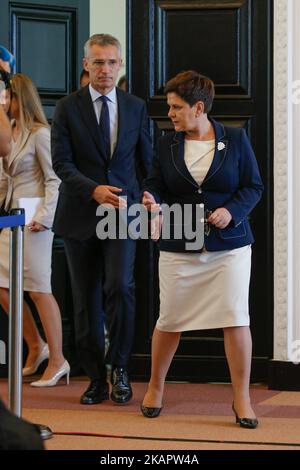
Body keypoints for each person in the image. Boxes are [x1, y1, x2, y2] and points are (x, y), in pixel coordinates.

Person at [141, 71, 263, 428]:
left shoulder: (236, 139)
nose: (171, 114)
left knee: (235, 316)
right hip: (179, 243)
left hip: (229, 247)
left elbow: (253, 187)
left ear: (198, 107)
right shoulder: (166, 142)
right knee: (170, 317)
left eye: (177, 107)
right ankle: (156, 386)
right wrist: (152, 201)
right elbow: (154, 184)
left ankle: (241, 398)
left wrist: (232, 211)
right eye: (169, 107)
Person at [51, 34, 152, 405]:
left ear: (120, 65)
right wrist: (93, 189)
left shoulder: (136, 107)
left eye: (111, 62)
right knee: (85, 299)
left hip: (124, 215)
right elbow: (61, 163)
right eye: (97, 62)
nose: (104, 69)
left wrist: (149, 195)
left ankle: (120, 369)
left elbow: (146, 162)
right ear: (86, 65)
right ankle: (95, 377)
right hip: (80, 212)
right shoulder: (66, 107)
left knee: (119, 287)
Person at [0, 73, 70, 387]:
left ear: (20, 98)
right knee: (2, 286)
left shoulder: (41, 133)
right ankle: (35, 346)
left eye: (8, 97)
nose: (4, 102)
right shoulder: (9, 130)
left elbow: (55, 179)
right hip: (11, 218)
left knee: (39, 289)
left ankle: (58, 359)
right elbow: (5, 178)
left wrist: (47, 216)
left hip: (36, 220)